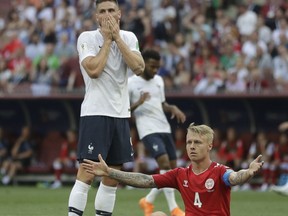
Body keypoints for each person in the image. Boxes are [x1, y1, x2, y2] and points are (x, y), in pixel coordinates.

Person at [82, 123, 264, 216]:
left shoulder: (219, 171)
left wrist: (247, 173)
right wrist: (109, 172)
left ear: (209, 146)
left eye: (197, 142)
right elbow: (146, 180)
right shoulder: (180, 174)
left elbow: (234, 178)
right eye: (189, 142)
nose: (192, 146)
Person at [68, 0, 145, 215]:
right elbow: (94, 70)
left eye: (111, 10)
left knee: (113, 175)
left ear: (119, 14)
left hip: (120, 114)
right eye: (102, 11)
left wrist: (117, 38)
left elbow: (139, 67)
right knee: (88, 171)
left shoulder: (129, 38)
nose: (107, 15)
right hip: (95, 112)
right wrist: (108, 41)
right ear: (96, 16)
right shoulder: (87, 38)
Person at [128, 49, 186, 216]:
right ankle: (173, 208)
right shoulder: (131, 83)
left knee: (172, 170)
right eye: (152, 67)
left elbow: (162, 104)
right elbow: (123, 110)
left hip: (164, 128)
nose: (155, 71)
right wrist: (138, 102)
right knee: (165, 165)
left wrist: (172, 107)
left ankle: (148, 200)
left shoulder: (159, 81)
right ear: (144, 63)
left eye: (157, 67)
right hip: (147, 129)